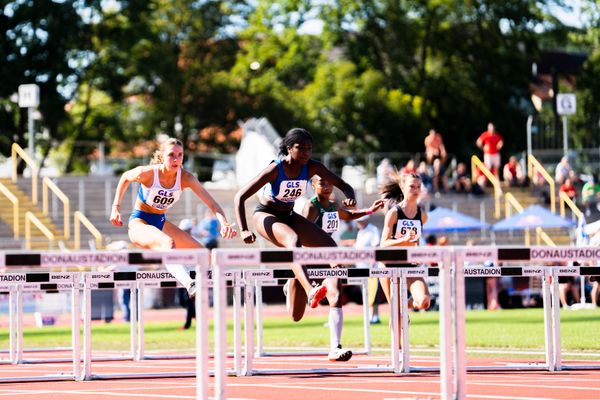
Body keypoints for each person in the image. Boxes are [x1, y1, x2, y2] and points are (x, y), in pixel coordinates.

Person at [234, 128, 358, 361]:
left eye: (310, 148)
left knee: (331, 247)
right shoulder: (275, 169)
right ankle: (311, 289)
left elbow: (344, 185)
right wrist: (243, 229)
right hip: (265, 216)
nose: (306, 153)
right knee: (293, 240)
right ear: (289, 148)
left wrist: (350, 196)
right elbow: (239, 196)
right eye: (301, 148)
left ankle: (303, 283)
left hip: (289, 215)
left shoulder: (312, 167)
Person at [109, 137, 237, 297]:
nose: (176, 159)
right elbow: (125, 177)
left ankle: (198, 285)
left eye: (180, 155)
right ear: (162, 156)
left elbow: (212, 204)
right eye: (171, 155)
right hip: (139, 223)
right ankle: (190, 285)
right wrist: (116, 207)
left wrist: (224, 223)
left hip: (160, 222)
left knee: (205, 255)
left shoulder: (186, 178)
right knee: (168, 243)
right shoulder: (148, 173)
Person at [302, 175, 383, 359]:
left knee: (336, 294)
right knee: (296, 313)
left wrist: (369, 210)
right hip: (311, 259)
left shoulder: (332, 205)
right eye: (322, 182)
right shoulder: (311, 207)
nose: (327, 186)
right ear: (313, 185)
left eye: (330, 183)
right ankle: (292, 284)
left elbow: (348, 214)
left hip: (330, 257)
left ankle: (335, 347)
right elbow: (301, 234)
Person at [379, 171, 431, 348]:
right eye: (411, 186)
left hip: (410, 265)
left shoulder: (422, 215)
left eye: (418, 187)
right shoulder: (394, 213)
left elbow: (416, 241)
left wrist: (418, 253)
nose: (415, 190)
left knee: (424, 301)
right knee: (397, 312)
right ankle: (398, 354)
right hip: (388, 265)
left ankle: (405, 306)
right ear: (403, 188)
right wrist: (402, 240)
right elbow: (382, 245)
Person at [354, 215, 382, 324]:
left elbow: (376, 246)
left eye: (360, 221)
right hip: (361, 268)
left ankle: (375, 316)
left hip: (371, 268)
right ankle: (368, 316)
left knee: (374, 292)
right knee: (365, 293)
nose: (358, 223)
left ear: (366, 220)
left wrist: (372, 263)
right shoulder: (360, 232)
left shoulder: (372, 230)